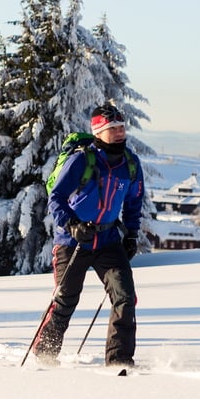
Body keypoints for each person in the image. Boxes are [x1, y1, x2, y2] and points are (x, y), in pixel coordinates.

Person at [32, 103, 144, 367]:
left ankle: (119, 361)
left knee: (125, 298)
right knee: (65, 299)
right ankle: (44, 353)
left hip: (108, 241)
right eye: (112, 128)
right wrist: (72, 225)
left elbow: (133, 202)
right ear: (98, 132)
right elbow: (56, 197)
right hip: (73, 242)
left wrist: (131, 235)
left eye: (121, 127)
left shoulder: (130, 163)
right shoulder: (82, 160)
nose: (119, 133)